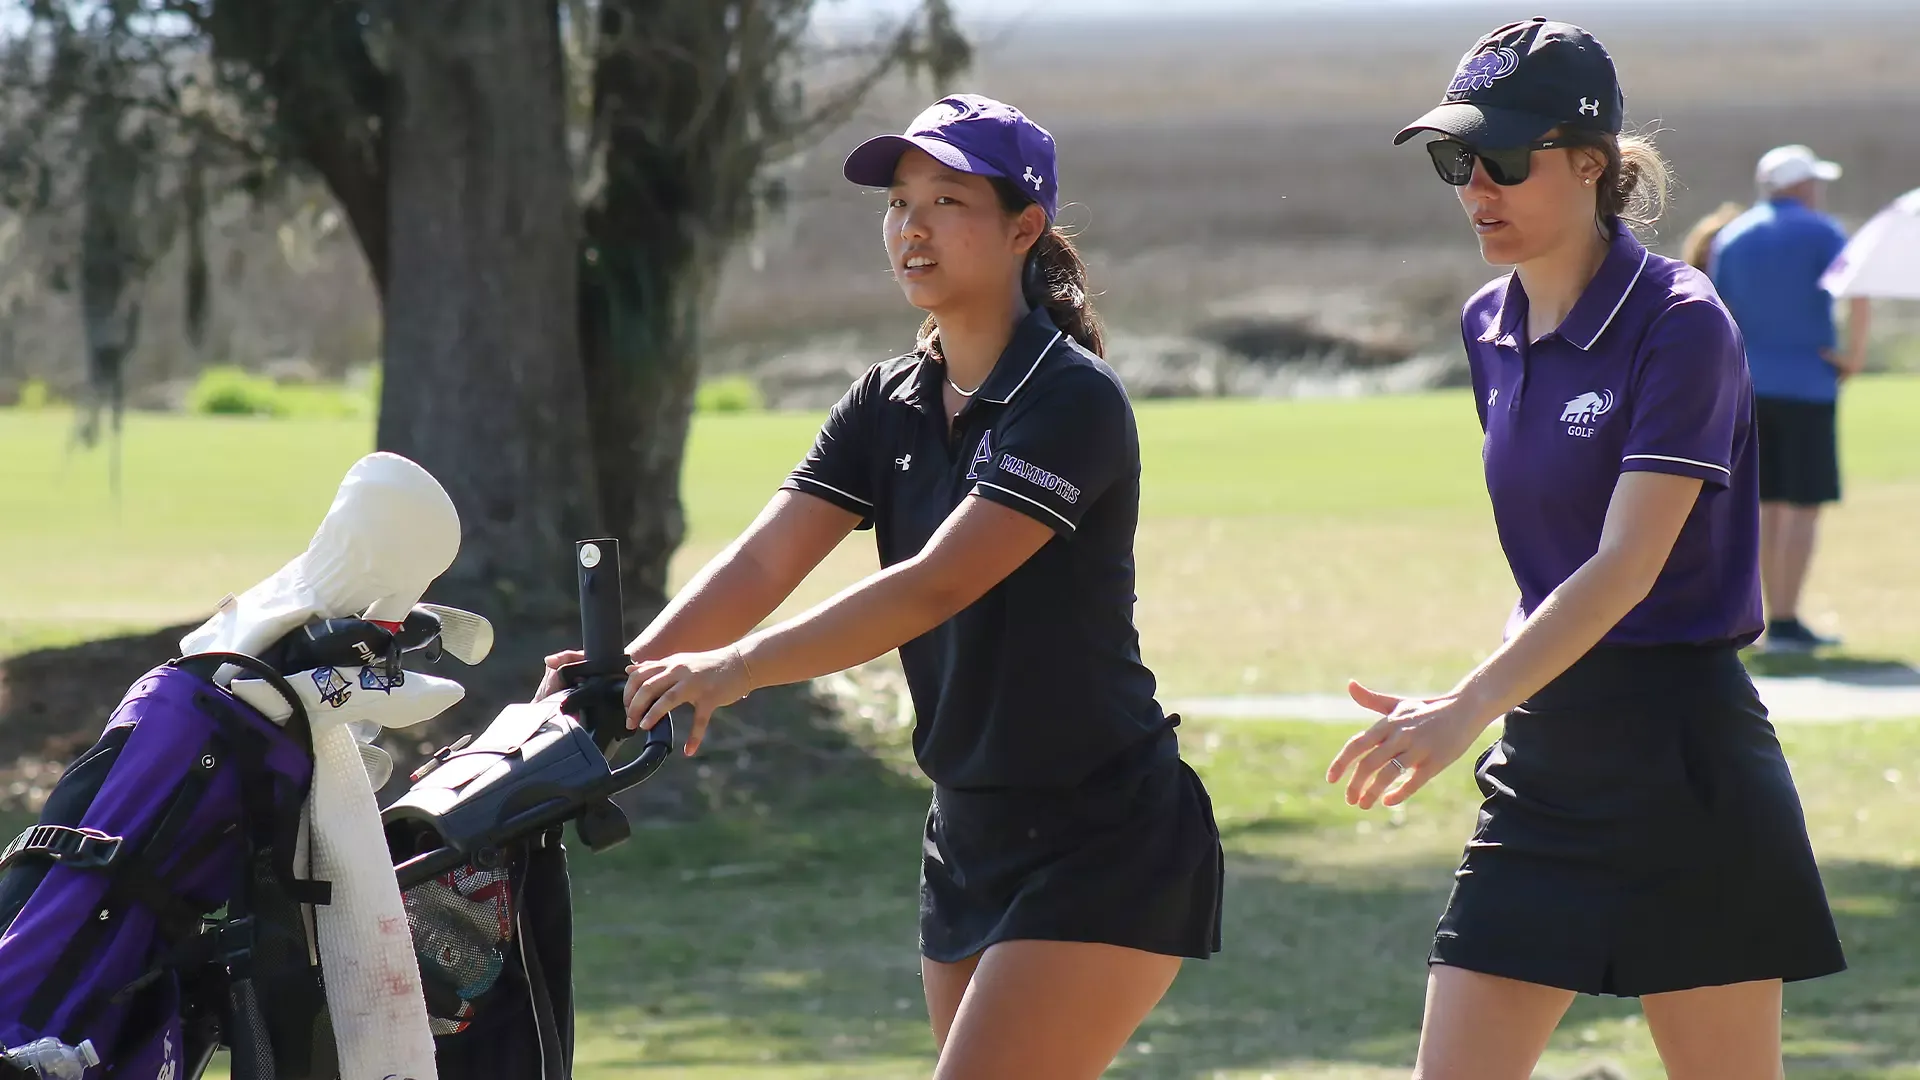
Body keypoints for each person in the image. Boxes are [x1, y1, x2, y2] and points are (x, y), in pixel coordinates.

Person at [539, 94, 1223, 1079]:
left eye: (948, 200)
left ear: (1025, 228)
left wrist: (735, 669)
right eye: (900, 202)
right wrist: (626, 675)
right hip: (969, 832)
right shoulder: (886, 400)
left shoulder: (1072, 398)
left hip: (1104, 833)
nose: (912, 226)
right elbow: (764, 562)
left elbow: (933, 585)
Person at [1328, 19, 1845, 1080]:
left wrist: (1464, 706)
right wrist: (1493, 692)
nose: (1477, 187)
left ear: (1589, 164)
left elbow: (1624, 564)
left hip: (1686, 762)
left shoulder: (1682, 319)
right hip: (1549, 757)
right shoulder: (1486, 326)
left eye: (1503, 161)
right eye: (1455, 162)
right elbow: (1547, 562)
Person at [1708, 144, 1871, 651]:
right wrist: (1853, 357)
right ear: (1801, 186)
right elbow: (1857, 293)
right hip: (1807, 385)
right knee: (1800, 507)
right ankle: (1786, 620)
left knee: (1758, 505)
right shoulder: (1823, 232)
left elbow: (1717, 309)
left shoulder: (1732, 238)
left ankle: (1751, 620)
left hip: (1747, 387)